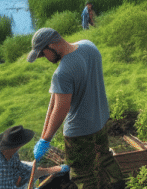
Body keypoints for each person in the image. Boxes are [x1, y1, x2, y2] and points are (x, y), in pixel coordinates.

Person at [27, 28, 126, 189]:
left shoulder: (62, 73)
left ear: (52, 45)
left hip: (79, 132)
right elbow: (55, 100)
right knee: (105, 158)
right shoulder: (89, 46)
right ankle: (118, 185)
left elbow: (61, 108)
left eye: (44, 54)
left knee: (83, 175)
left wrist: (46, 140)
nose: (45, 58)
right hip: (100, 120)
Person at [0, 125, 68, 189]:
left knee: (34, 168)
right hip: (5, 184)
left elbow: (24, 169)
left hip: (13, 178)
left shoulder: (10, 151)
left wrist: (56, 170)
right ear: (15, 146)